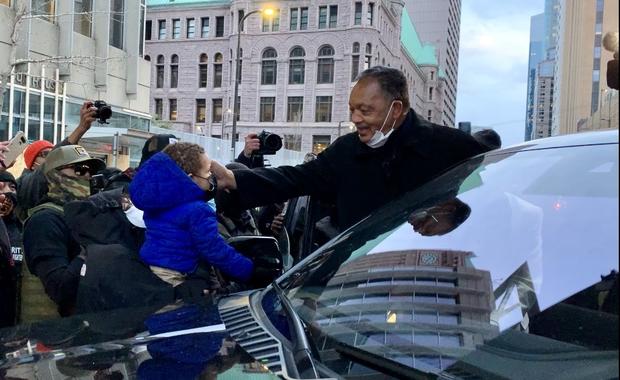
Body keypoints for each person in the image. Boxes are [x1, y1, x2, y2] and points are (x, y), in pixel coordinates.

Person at [212, 66, 488, 232]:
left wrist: (454, 216)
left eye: (365, 110)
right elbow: (297, 178)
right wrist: (236, 178)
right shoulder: (346, 150)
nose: (355, 119)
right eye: (352, 110)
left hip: (425, 282)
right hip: (359, 282)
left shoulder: (449, 147)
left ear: (397, 109)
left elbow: (488, 200)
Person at [129, 142, 275, 289]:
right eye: (208, 172)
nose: (212, 176)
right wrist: (249, 270)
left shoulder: (159, 202)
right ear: (191, 178)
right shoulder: (198, 210)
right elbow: (214, 250)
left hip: (153, 267)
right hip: (176, 276)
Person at [22, 145, 106, 317]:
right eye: (79, 170)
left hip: (83, 331)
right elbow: (60, 289)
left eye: (90, 171)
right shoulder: (45, 221)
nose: (87, 175)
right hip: (51, 335)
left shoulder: (82, 216)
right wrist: (93, 244)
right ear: (54, 176)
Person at [16, 101, 100, 222]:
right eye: (45, 154)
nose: (51, 156)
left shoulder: (65, 190)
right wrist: (81, 129)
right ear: (32, 163)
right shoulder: (25, 184)